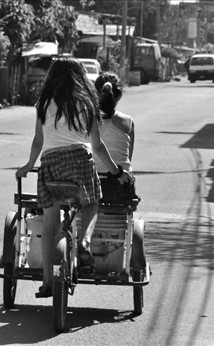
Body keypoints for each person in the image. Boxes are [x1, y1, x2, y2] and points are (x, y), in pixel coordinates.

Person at [15, 59, 132, 298]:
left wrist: (28, 165)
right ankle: (85, 243)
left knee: (50, 222)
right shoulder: (88, 103)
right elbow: (97, 146)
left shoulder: (43, 103)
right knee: (90, 203)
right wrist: (117, 172)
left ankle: (47, 280)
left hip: (51, 163)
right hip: (79, 161)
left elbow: (38, 141)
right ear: (80, 78)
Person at [93, 71, 146, 280]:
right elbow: (127, 160)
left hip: (93, 185)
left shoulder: (87, 120)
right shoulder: (128, 121)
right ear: (118, 96)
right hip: (119, 188)